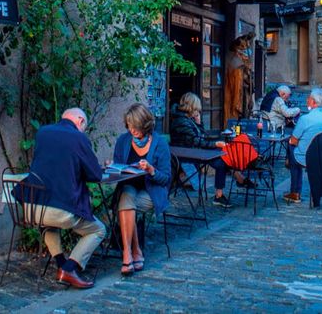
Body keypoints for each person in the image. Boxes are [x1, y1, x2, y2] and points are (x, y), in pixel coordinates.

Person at [18, 108, 105, 289]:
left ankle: (61, 266)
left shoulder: (43, 132)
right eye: (84, 127)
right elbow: (95, 175)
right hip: (59, 210)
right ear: (80, 121)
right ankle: (69, 268)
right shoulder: (79, 138)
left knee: (49, 225)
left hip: (32, 207)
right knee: (98, 230)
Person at [111, 103, 171, 275]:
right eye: (129, 126)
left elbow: (166, 179)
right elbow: (119, 167)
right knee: (126, 198)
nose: (132, 131)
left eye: (135, 127)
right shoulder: (123, 141)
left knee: (126, 205)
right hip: (128, 187)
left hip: (151, 191)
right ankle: (130, 254)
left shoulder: (159, 144)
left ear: (145, 125)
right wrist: (113, 167)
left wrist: (151, 170)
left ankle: (132, 251)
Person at [169, 92, 251, 209]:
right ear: (191, 107)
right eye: (197, 109)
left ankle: (231, 183)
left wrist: (198, 123)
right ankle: (226, 189)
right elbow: (198, 141)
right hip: (188, 153)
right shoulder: (182, 121)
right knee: (221, 160)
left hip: (194, 150)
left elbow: (199, 137)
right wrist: (215, 144)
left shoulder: (187, 119)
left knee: (224, 155)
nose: (198, 112)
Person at [284, 87, 322, 204]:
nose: (307, 100)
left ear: (313, 102)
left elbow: (293, 140)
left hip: (305, 157)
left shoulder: (305, 119)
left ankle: (295, 192)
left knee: (291, 147)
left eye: (309, 98)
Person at [224, 36, 251, 123]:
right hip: (238, 96)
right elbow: (236, 86)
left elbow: (248, 79)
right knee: (236, 118)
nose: (246, 52)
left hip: (244, 95)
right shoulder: (236, 63)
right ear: (238, 50)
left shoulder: (243, 64)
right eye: (243, 49)